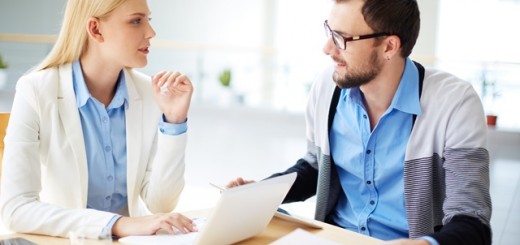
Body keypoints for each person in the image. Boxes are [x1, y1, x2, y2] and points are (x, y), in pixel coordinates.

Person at [227, 0, 492, 244]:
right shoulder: (326, 87)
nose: (328, 48)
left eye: (342, 38)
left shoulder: (455, 103)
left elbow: (471, 221)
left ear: (389, 46)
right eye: (330, 31)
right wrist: (262, 193)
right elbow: (316, 168)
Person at [0, 0, 196, 239]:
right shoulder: (36, 90)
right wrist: (118, 224)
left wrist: (174, 121)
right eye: (136, 21)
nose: (151, 32)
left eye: (148, 20)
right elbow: (16, 209)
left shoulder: (148, 92)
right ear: (95, 29)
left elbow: (161, 204)